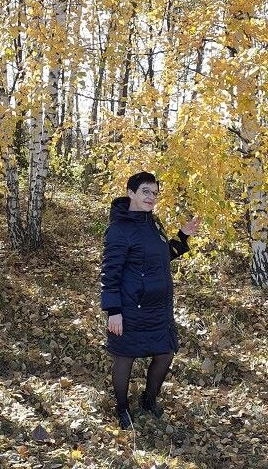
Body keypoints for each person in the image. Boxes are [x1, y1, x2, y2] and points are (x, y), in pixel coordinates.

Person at [100, 171, 201, 429]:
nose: (151, 197)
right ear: (131, 193)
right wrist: (113, 311)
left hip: (158, 308)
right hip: (130, 307)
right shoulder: (119, 229)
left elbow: (161, 256)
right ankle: (122, 409)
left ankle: (149, 400)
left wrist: (183, 236)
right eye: (145, 191)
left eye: (155, 193)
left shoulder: (153, 223)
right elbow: (110, 274)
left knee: (165, 354)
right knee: (125, 358)